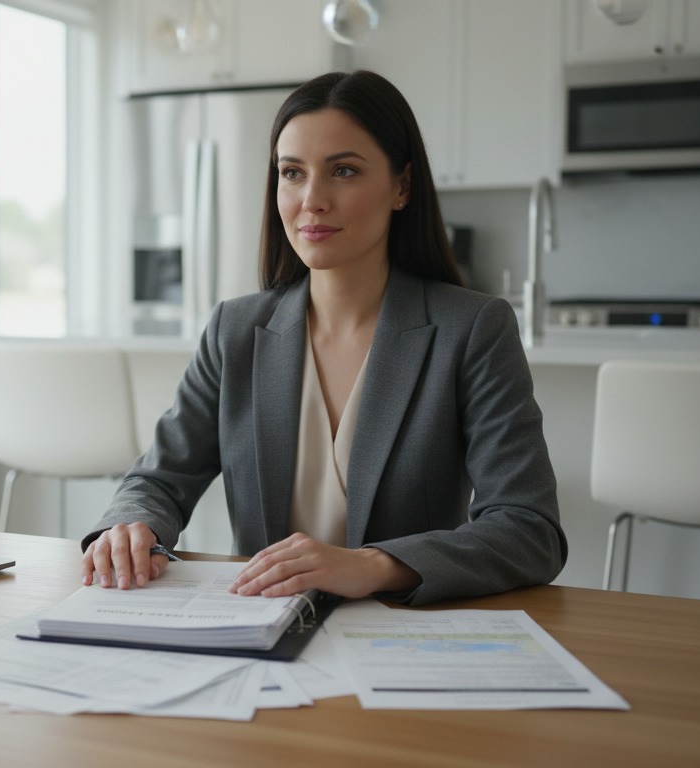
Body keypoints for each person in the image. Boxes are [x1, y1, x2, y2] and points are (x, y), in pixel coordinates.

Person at [80, 71, 565, 606]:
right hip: (261, 631)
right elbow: (158, 479)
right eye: (292, 172)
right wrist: (130, 525)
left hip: (397, 637)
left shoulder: (471, 329)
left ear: (401, 187)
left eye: (344, 171)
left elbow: (528, 528)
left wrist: (374, 566)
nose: (312, 199)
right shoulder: (234, 330)